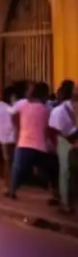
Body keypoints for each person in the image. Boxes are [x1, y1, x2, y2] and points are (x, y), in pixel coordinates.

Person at [49, 80, 77, 214]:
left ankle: (67, 203)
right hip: (67, 141)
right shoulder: (60, 110)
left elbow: (53, 129)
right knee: (68, 172)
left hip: (66, 141)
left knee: (66, 172)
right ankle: (67, 202)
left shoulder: (58, 110)